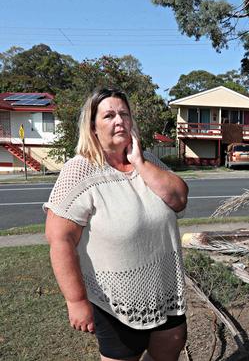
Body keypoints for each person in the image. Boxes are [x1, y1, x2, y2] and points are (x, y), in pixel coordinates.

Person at [44, 88, 189, 361]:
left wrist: (139, 162)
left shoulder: (149, 162)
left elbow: (179, 199)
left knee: (170, 349)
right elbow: (59, 239)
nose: (119, 120)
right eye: (109, 115)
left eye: (124, 114)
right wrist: (75, 301)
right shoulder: (80, 170)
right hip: (114, 302)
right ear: (93, 127)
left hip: (165, 290)